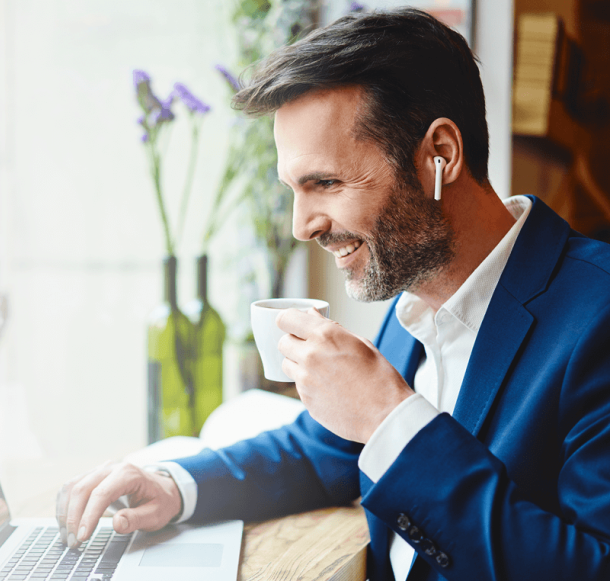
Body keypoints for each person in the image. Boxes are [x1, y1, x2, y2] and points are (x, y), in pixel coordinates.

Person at [57, 9, 610, 581]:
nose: (303, 226)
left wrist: (389, 415)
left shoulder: (598, 315)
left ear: (439, 155)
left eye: (326, 183)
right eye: (293, 189)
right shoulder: (417, 297)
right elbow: (331, 448)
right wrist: (176, 486)